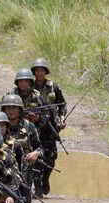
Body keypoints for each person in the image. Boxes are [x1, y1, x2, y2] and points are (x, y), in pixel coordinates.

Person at [31, 58, 67, 196]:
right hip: (34, 127)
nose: (39, 72)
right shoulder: (28, 86)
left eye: (42, 70)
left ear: (46, 72)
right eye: (37, 70)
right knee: (35, 155)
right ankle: (37, 184)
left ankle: (45, 178)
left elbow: (62, 104)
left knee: (51, 156)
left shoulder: (54, 87)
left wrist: (62, 118)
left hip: (51, 127)